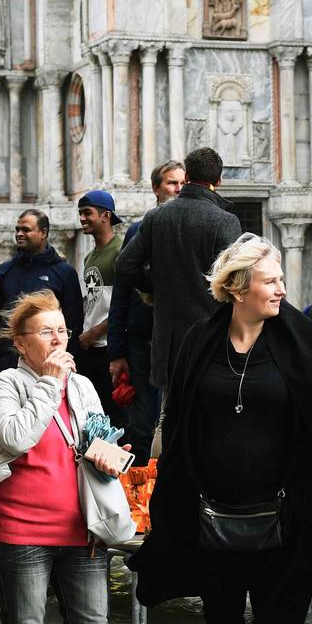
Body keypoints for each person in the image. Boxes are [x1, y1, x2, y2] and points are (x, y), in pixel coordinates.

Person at [130, 234, 312, 624]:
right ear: (238, 286)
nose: (281, 290)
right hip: (210, 512)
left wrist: (309, 494)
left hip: (285, 512)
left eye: (282, 280)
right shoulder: (200, 338)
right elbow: (177, 420)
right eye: (271, 281)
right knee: (220, 614)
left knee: (281, 615)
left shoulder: (299, 337)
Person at [0, 290, 140, 624]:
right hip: (19, 529)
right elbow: (13, 438)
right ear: (21, 341)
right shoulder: (7, 383)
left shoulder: (84, 385)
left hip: (83, 528)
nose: (58, 339)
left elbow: (94, 441)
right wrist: (50, 385)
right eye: (46, 331)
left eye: (63, 331)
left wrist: (113, 454)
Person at [114, 147, 243, 393]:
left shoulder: (156, 217)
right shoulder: (226, 220)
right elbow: (237, 281)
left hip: (168, 346)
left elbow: (125, 266)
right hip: (212, 342)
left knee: (171, 416)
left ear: (188, 177)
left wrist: (157, 284)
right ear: (218, 181)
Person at [108, 160, 184, 465]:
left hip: (179, 337)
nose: (178, 189)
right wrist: (117, 350)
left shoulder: (187, 229)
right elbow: (122, 291)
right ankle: (139, 492)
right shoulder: (139, 230)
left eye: (182, 183)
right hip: (143, 339)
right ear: (156, 188)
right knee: (141, 422)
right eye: (171, 183)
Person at [0, 209, 83, 375]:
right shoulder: (6, 269)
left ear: (43, 233)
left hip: (48, 364)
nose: (19, 234)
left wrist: (68, 360)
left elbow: (74, 323)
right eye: (17, 229)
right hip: (8, 363)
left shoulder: (64, 272)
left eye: (26, 229)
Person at [75, 189, 123, 418]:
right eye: (80, 213)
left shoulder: (120, 251)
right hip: (90, 346)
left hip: (109, 346)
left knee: (113, 411)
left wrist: (96, 331)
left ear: (105, 216)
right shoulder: (89, 257)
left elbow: (125, 303)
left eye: (87, 213)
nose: (82, 218)